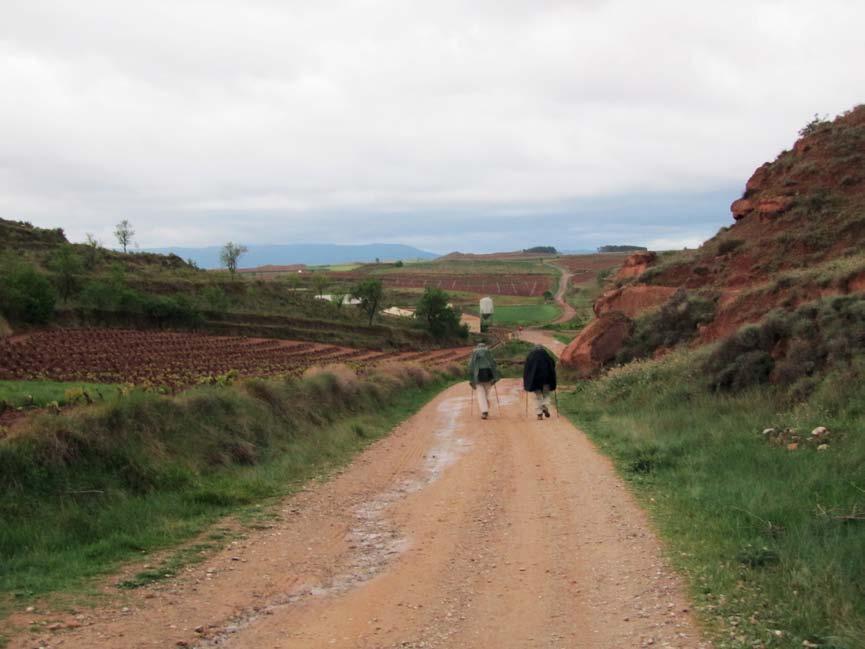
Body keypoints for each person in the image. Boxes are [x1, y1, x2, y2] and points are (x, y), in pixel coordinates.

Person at [468, 342, 501, 420]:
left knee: (480, 394)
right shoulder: (488, 352)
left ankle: (484, 411)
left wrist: (471, 376)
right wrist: (495, 374)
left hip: (478, 376)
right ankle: (485, 406)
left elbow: (470, 365)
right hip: (488, 375)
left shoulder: (474, 352)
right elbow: (493, 363)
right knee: (486, 392)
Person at [523, 344, 556, 420]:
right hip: (546, 379)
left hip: (535, 380)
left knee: (538, 396)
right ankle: (544, 406)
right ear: (542, 349)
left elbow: (527, 369)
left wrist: (527, 379)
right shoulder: (547, 356)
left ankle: (539, 414)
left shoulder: (531, 356)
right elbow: (552, 365)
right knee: (546, 395)